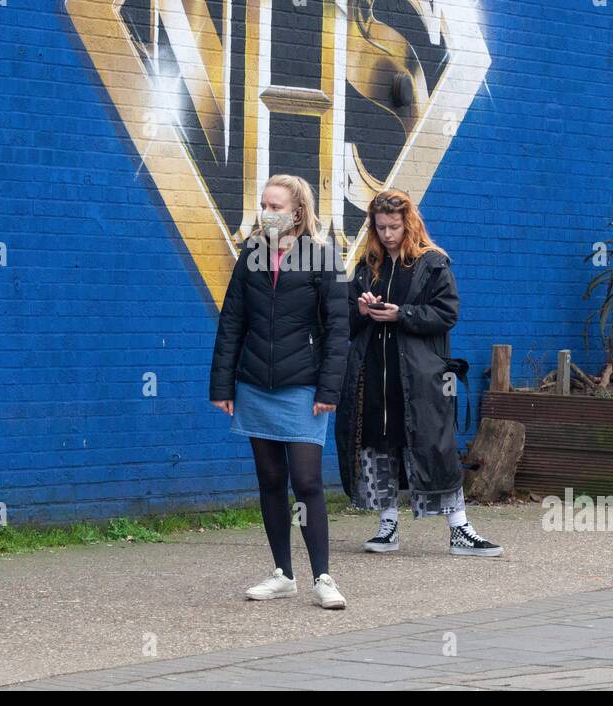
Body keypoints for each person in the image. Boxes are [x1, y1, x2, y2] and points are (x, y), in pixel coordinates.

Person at [209, 175, 350, 608]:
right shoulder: (251, 254)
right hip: (255, 385)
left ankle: (323, 577)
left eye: (275, 206)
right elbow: (232, 321)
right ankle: (283, 574)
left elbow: (339, 329)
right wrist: (222, 384)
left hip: (303, 388)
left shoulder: (322, 258)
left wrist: (329, 388)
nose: (266, 213)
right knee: (270, 480)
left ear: (297, 211)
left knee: (307, 481)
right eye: (263, 205)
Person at [336, 189, 502, 556]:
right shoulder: (366, 267)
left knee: (435, 446)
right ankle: (387, 525)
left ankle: (460, 528)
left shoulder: (432, 263)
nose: (387, 234)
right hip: (373, 376)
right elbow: (343, 323)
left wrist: (402, 314)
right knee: (379, 446)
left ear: (409, 224)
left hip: (420, 377)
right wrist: (361, 309)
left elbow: (447, 314)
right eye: (380, 227)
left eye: (394, 226)